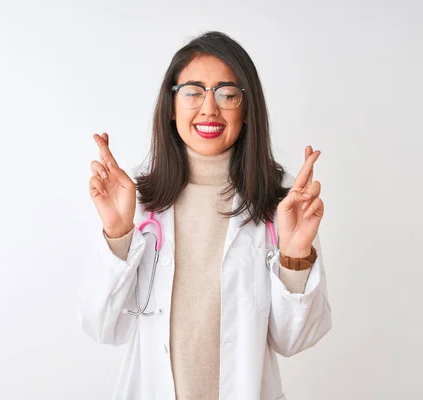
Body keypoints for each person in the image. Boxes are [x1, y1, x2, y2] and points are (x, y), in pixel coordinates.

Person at [78, 31, 332, 400]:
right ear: (171, 106)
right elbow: (103, 327)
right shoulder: (138, 200)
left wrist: (294, 259)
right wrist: (117, 234)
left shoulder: (282, 201)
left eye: (228, 94)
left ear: (247, 110)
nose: (210, 109)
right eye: (193, 92)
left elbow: (295, 340)